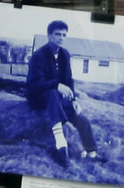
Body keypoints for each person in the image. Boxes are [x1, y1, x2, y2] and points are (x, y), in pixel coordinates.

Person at [24, 20, 101, 167]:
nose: (61, 38)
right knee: (53, 93)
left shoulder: (65, 54)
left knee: (81, 119)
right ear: (49, 36)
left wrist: (73, 100)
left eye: (64, 35)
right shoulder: (38, 55)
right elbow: (34, 84)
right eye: (58, 34)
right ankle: (61, 144)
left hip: (56, 100)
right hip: (38, 96)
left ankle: (92, 153)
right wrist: (57, 85)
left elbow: (68, 79)